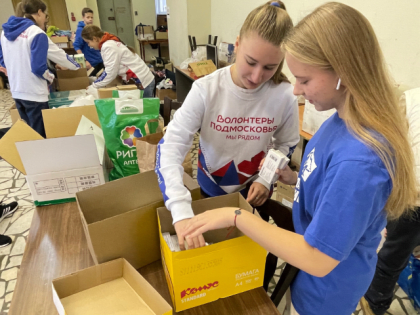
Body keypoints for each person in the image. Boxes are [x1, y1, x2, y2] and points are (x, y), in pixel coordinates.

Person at [182, 3, 418, 315]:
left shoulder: (361, 163)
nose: (295, 90)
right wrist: (296, 178)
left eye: (304, 80)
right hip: (306, 273)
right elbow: (330, 190)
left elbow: (318, 258)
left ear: (342, 74)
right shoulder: (338, 122)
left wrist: (236, 217)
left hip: (324, 291)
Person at [155, 1, 299, 250]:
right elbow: (171, 147)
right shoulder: (206, 89)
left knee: (243, 252)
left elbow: (285, 144)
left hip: (253, 191)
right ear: (237, 44)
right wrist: (180, 210)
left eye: (269, 67)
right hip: (211, 184)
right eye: (250, 62)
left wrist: (266, 179)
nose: (256, 77)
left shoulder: (284, 95)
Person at [361, 88, 420, 315]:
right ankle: (374, 304)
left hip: (411, 195)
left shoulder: (411, 97)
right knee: (393, 256)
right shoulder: (411, 98)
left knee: (394, 256)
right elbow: (391, 145)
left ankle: (375, 302)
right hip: (413, 198)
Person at [0, 0, 76, 137]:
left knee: (30, 133)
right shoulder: (35, 33)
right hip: (34, 93)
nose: (45, 20)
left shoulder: (5, 32)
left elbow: (3, 60)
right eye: (45, 15)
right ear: (39, 12)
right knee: (40, 136)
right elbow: (39, 67)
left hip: (17, 91)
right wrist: (55, 75)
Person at [81, 25, 155, 97]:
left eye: (88, 42)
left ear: (94, 39)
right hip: (142, 78)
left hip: (142, 80)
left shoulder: (108, 46)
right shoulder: (108, 42)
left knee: (145, 108)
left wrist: (93, 86)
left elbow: (110, 72)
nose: (89, 45)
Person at [73, 8, 103, 76]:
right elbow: (77, 46)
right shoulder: (81, 30)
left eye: (92, 17)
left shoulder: (92, 28)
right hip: (91, 63)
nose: (90, 19)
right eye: (88, 17)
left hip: (99, 59)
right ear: (83, 17)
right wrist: (85, 61)